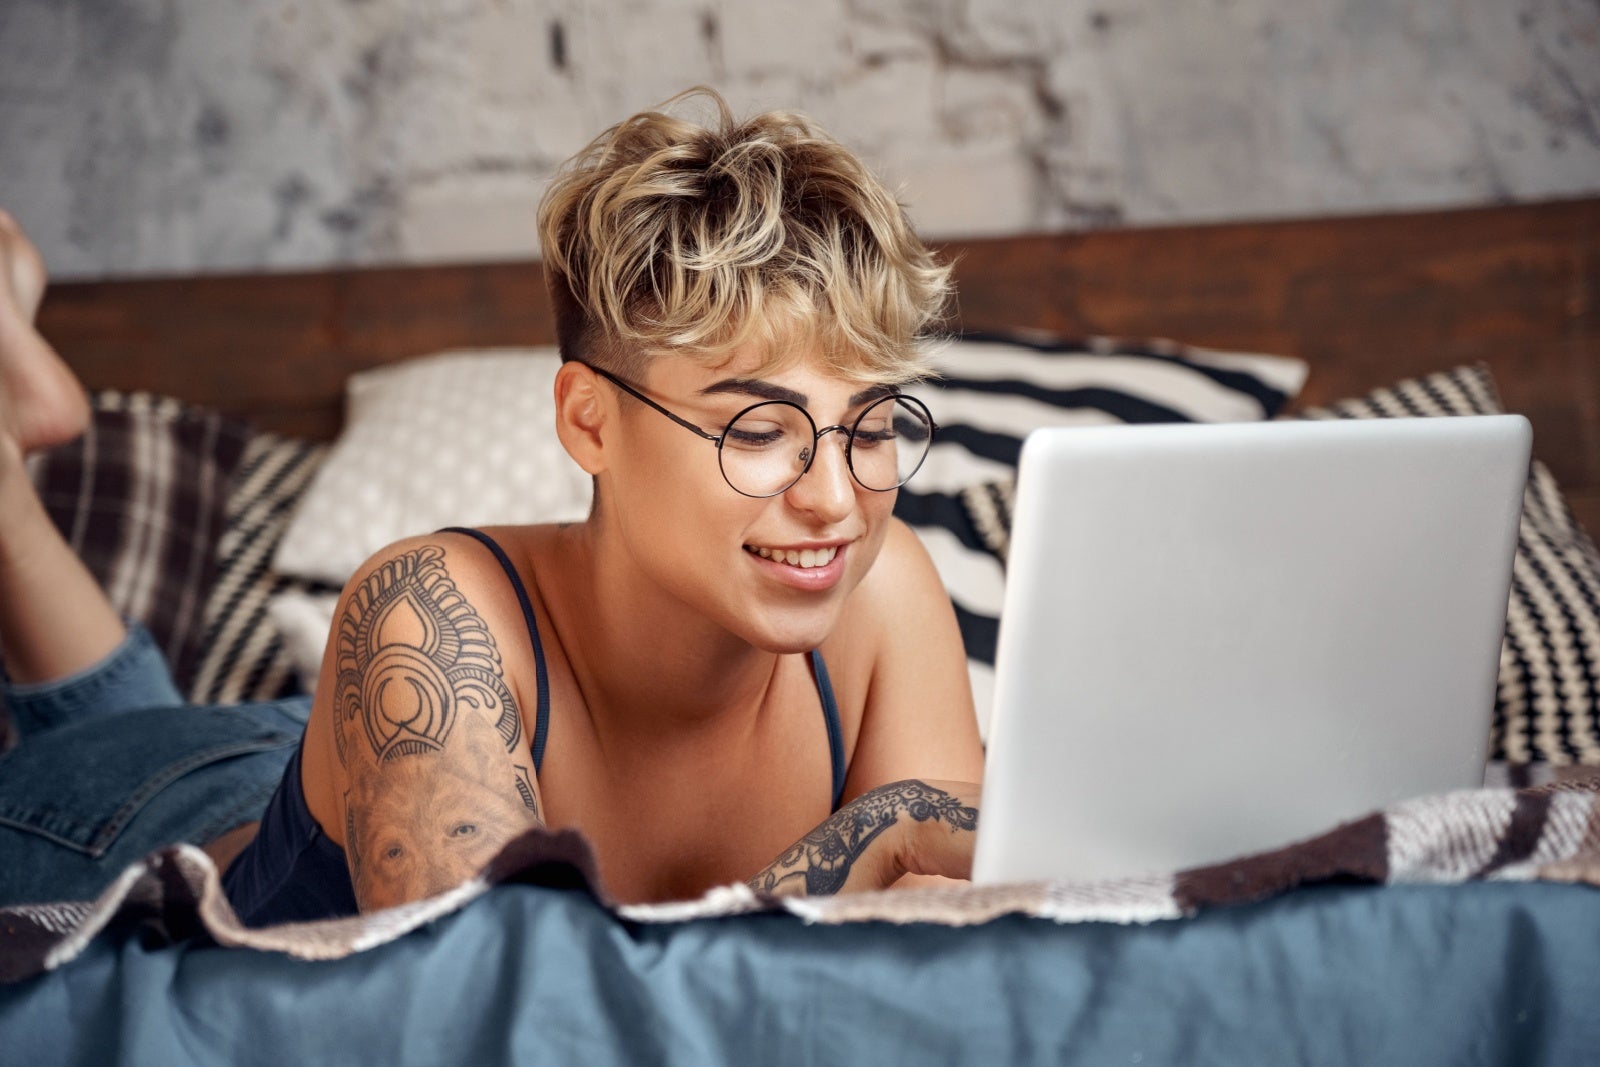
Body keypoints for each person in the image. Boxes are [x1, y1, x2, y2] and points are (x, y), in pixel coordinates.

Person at [0, 88, 983, 923]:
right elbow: (501, 1003)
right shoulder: (424, 609)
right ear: (589, 420)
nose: (834, 498)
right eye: (758, 432)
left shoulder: (880, 582)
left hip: (376, 748)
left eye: (871, 425)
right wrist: (870, 833)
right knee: (123, 757)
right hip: (141, 817)